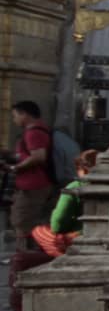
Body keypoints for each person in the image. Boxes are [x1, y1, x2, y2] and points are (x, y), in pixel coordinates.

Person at [5, 101, 54, 250]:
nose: (14, 120)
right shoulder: (37, 131)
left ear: (24, 114)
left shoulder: (33, 132)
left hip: (33, 185)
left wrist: (16, 167)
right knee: (26, 221)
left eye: (15, 116)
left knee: (22, 221)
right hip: (33, 184)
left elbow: (39, 156)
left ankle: (26, 257)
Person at [32, 149, 94, 257]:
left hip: (81, 236)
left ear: (83, 170)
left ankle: (64, 256)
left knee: (38, 231)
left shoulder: (75, 187)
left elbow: (58, 223)